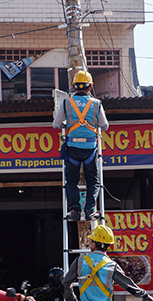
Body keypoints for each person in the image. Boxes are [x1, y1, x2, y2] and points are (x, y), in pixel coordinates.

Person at [53, 69, 109, 222]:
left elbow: (56, 124)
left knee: (71, 181)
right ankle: (91, 210)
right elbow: (104, 126)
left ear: (73, 86)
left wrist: (69, 124)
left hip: (72, 148)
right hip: (90, 149)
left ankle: (75, 210)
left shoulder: (66, 103)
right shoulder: (96, 104)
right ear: (90, 87)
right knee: (94, 182)